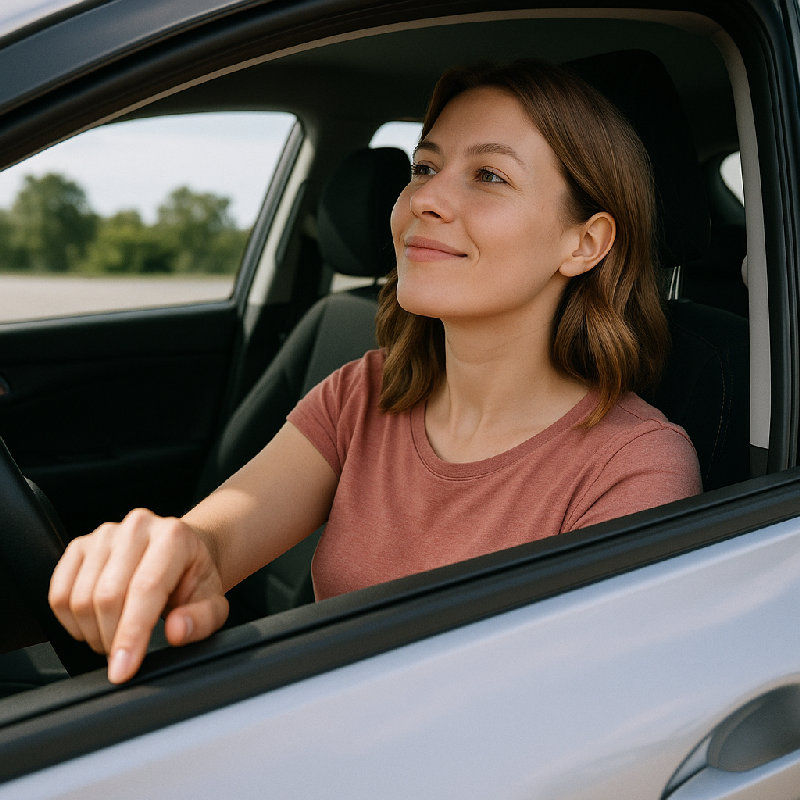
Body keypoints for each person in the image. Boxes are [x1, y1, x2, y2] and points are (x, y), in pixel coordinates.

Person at [49, 59, 701, 684]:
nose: (425, 198)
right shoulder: (365, 391)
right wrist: (162, 553)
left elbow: (573, 715)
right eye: (424, 167)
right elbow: (215, 543)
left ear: (583, 243)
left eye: (489, 176)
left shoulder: (634, 468)